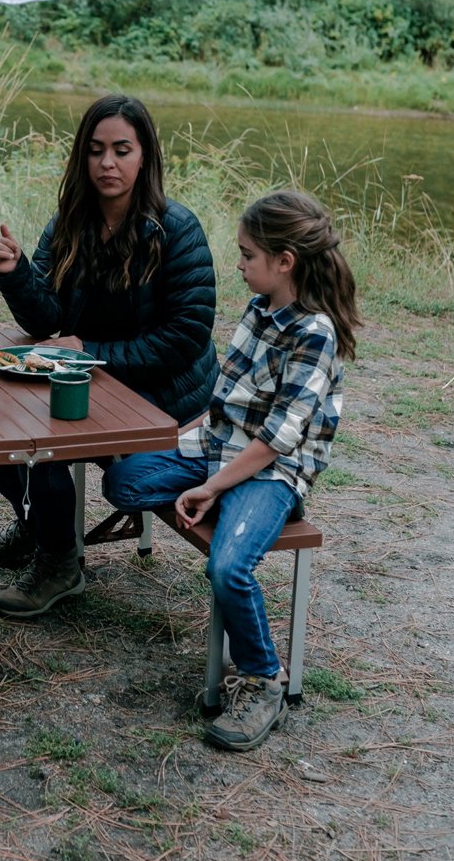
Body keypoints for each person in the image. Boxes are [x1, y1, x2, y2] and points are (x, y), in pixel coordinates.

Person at [104, 189, 361, 752]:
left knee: (229, 568)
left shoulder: (315, 335)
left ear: (283, 261)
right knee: (123, 482)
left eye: (247, 255)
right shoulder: (259, 307)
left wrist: (213, 486)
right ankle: (224, 500)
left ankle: (264, 679)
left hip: (272, 472)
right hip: (219, 447)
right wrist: (174, 444)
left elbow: (276, 440)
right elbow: (224, 403)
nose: (239, 264)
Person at [0, 94, 219, 619]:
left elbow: (186, 337)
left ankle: (60, 564)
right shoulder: (70, 221)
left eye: (122, 149)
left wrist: (89, 352)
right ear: (82, 158)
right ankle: (42, 525)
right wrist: (16, 273)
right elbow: (45, 319)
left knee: (48, 437)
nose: (108, 163)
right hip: (89, 376)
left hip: (165, 391)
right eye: (96, 150)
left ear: (144, 156)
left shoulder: (177, 230)